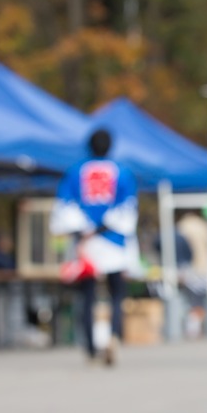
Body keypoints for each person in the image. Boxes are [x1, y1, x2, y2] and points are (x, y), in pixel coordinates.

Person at [50, 128, 138, 366]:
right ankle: (113, 337)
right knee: (116, 295)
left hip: (86, 243)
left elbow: (64, 207)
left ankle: (90, 348)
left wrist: (85, 231)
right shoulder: (123, 172)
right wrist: (103, 228)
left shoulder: (75, 171)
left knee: (87, 296)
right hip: (114, 242)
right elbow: (127, 209)